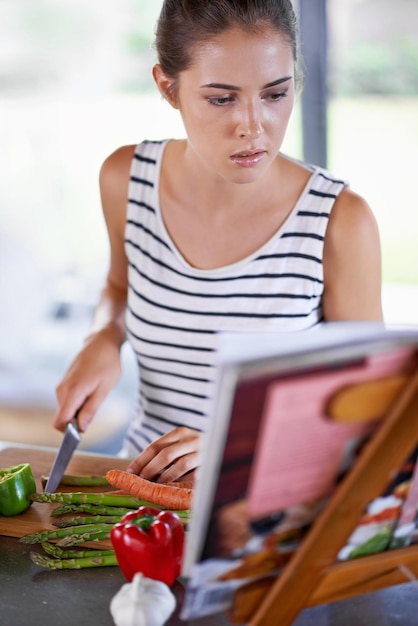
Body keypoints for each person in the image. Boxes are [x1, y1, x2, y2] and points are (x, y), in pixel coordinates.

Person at [53, 0, 383, 484]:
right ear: (168, 87)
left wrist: (237, 448)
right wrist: (104, 335)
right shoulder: (127, 179)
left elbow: (370, 410)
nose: (253, 125)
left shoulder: (337, 220)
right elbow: (119, 287)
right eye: (221, 98)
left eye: (275, 93)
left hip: (268, 514)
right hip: (139, 501)